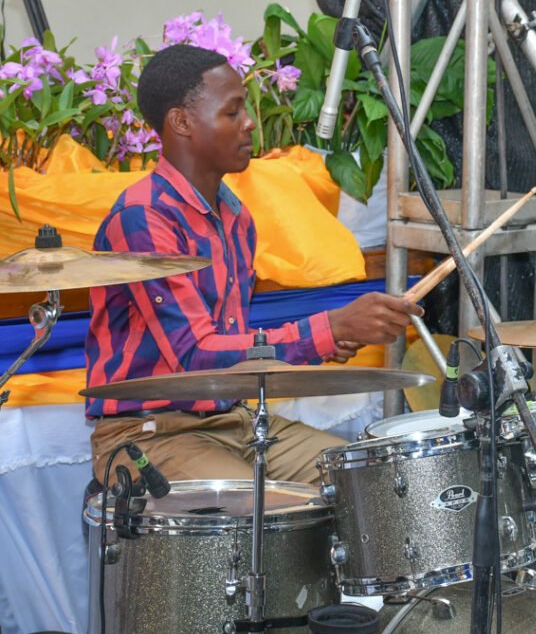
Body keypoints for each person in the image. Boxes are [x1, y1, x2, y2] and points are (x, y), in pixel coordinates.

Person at [85, 45, 423, 486]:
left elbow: (231, 342)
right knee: (255, 509)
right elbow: (195, 357)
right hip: (148, 435)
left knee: (371, 482)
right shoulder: (142, 219)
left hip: (237, 423)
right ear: (181, 122)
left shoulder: (237, 218)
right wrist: (329, 330)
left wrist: (332, 340)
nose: (249, 123)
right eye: (232, 112)